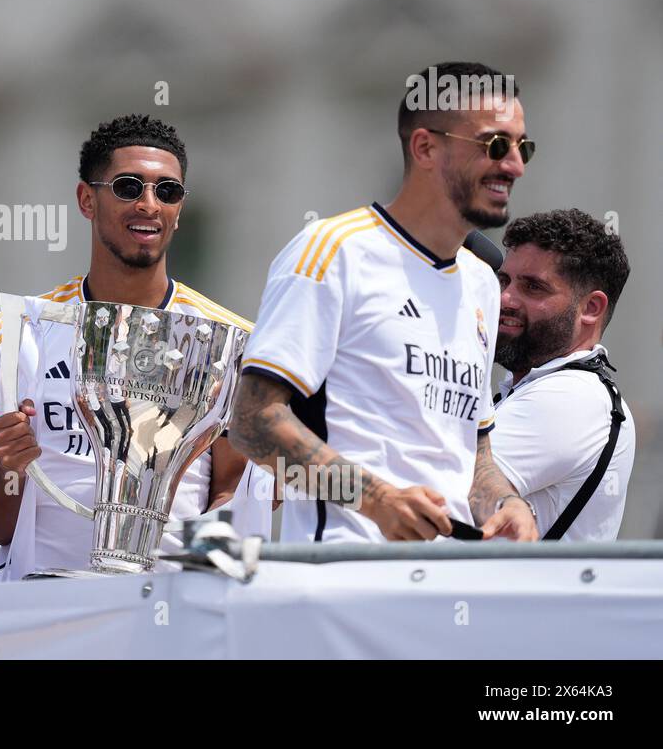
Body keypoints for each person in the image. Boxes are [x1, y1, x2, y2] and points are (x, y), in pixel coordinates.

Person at [229, 62, 539, 542]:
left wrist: (506, 502)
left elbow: (474, 451)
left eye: (524, 147)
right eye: (495, 145)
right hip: (346, 578)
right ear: (426, 147)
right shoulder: (333, 249)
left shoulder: (481, 282)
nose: (514, 165)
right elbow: (252, 424)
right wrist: (376, 500)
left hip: (452, 585)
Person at [0, 114, 266, 583]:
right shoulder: (14, 334)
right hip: (45, 602)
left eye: (167, 191)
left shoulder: (230, 341)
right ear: (86, 199)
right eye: (127, 187)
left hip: (171, 600)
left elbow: (228, 493)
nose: (148, 204)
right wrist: (8, 466)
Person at [490, 209, 634, 540]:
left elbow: (431, 490)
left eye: (533, 287)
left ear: (591, 308)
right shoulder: (552, 389)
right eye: (504, 281)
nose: (505, 298)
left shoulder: (569, 397)